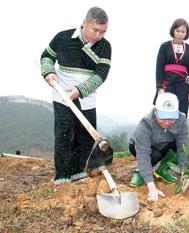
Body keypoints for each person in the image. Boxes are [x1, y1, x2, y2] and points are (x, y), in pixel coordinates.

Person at [40, 7, 111, 185]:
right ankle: (62, 176)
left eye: (103, 32)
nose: (99, 35)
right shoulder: (63, 38)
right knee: (64, 134)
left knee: (86, 136)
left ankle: (76, 171)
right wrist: (49, 72)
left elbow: (101, 74)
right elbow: (46, 56)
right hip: (62, 95)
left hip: (87, 97)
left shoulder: (105, 46)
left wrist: (79, 90)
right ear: (84, 24)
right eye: (95, 30)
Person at [129, 93, 188, 202]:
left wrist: (185, 173)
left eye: (171, 119)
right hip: (139, 146)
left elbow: (183, 146)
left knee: (180, 145)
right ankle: (139, 172)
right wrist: (152, 189)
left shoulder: (182, 120)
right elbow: (143, 154)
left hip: (164, 143)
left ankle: (162, 170)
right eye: (163, 118)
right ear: (155, 111)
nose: (167, 123)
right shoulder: (145, 123)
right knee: (155, 156)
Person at [155, 18, 189, 116]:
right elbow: (159, 67)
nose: (180, 34)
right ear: (173, 31)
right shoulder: (164, 46)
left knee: (181, 113)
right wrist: (160, 88)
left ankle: (180, 131)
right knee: (166, 111)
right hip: (167, 84)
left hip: (183, 85)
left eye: (183, 31)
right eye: (178, 31)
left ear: (186, 33)